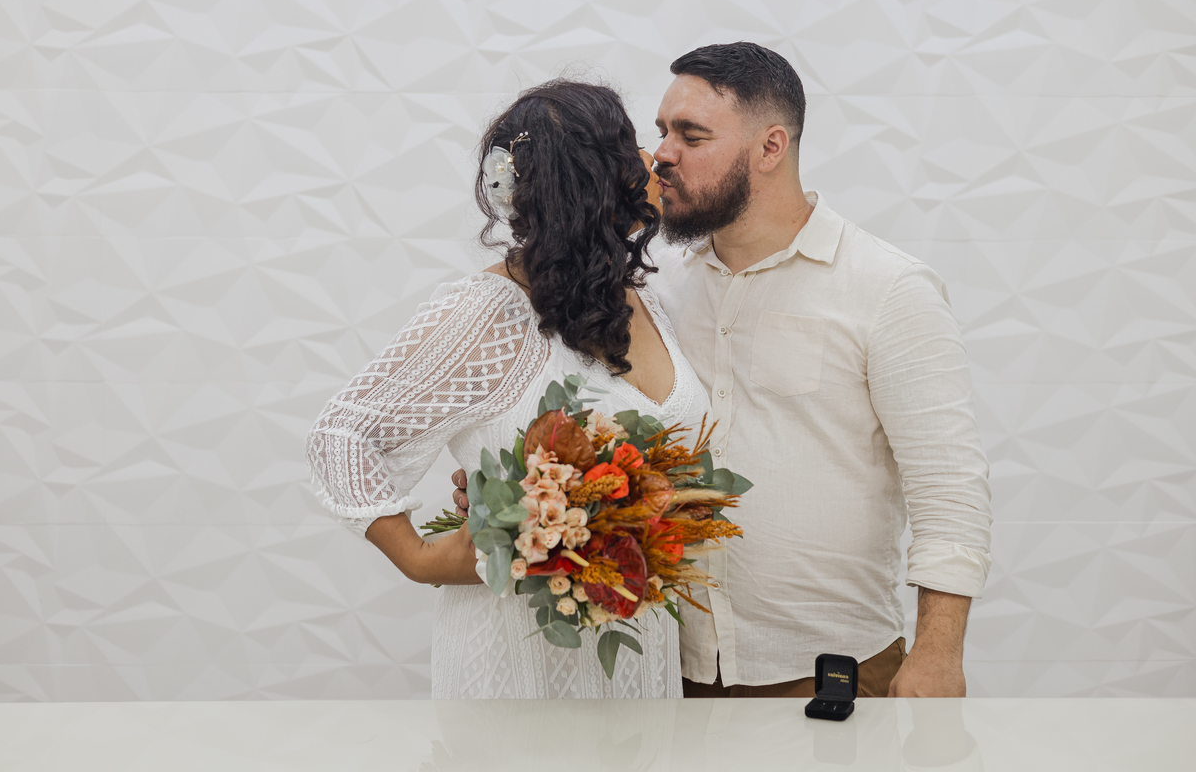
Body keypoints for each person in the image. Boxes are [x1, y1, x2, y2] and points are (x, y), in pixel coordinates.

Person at [455, 44, 993, 698]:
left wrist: (939, 649)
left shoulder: (887, 288)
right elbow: (597, 422)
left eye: (692, 136)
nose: (662, 154)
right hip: (664, 671)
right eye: (661, 131)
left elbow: (949, 486)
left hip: (828, 671)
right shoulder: (652, 290)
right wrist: (512, 489)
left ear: (770, 147)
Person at [306, 79, 709, 699]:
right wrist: (420, 559)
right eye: (630, 144)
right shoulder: (485, 313)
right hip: (515, 671)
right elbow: (341, 436)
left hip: (638, 662)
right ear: (590, 182)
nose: (650, 160)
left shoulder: (651, 298)